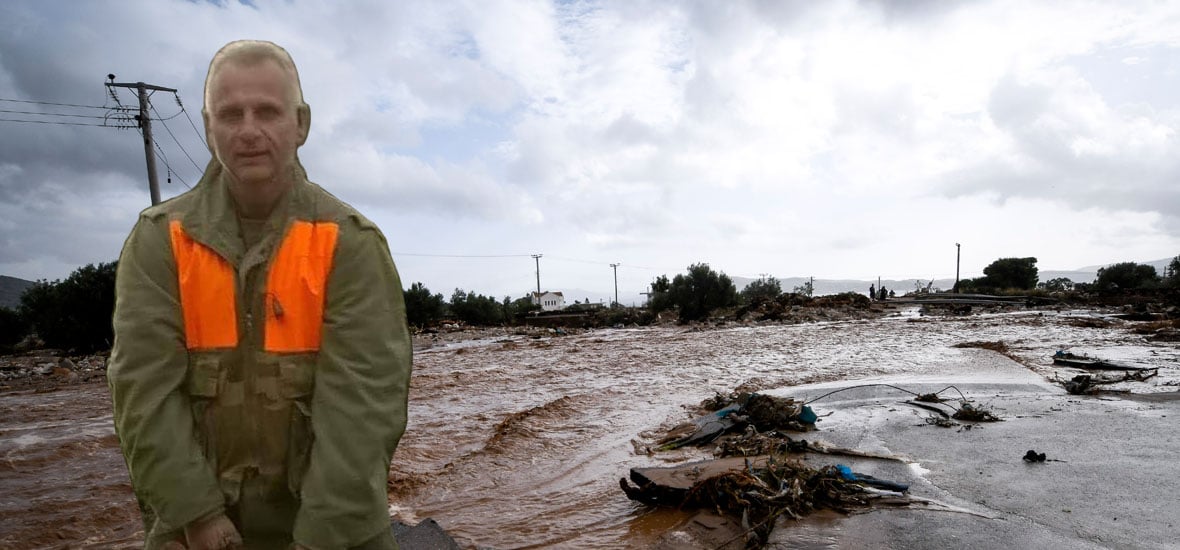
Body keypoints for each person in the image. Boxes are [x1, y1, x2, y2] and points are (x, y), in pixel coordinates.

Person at [107, 40, 412, 550]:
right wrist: (197, 513)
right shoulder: (159, 240)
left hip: (333, 528)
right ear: (209, 128)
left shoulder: (350, 243)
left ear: (301, 124)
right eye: (230, 114)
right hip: (192, 525)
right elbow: (141, 394)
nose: (248, 131)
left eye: (267, 111)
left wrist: (319, 538)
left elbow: (362, 410)